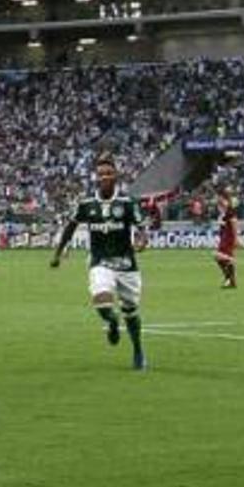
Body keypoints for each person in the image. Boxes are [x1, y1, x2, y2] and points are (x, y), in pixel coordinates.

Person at [51, 154, 149, 371]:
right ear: (96, 178)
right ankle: (112, 322)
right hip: (100, 261)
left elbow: (142, 228)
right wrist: (59, 252)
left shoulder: (126, 203)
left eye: (108, 173)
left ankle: (138, 350)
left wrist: (141, 241)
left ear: (116, 177)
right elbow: (70, 227)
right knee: (102, 301)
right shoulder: (87, 204)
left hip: (127, 265)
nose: (104, 177)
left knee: (131, 310)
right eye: (101, 174)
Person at [212, 188, 239, 290]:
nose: (218, 200)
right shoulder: (223, 210)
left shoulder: (229, 210)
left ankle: (229, 279)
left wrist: (236, 238)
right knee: (220, 257)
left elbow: (234, 222)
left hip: (228, 236)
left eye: (220, 198)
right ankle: (230, 281)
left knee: (217, 256)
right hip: (225, 236)